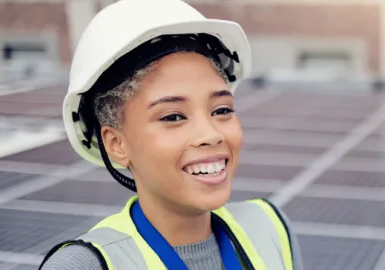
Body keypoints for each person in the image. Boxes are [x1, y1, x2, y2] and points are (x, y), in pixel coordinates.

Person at [38, 0, 303, 269]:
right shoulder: (81, 265)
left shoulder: (269, 226)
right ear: (116, 144)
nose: (210, 135)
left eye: (221, 110)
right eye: (173, 116)